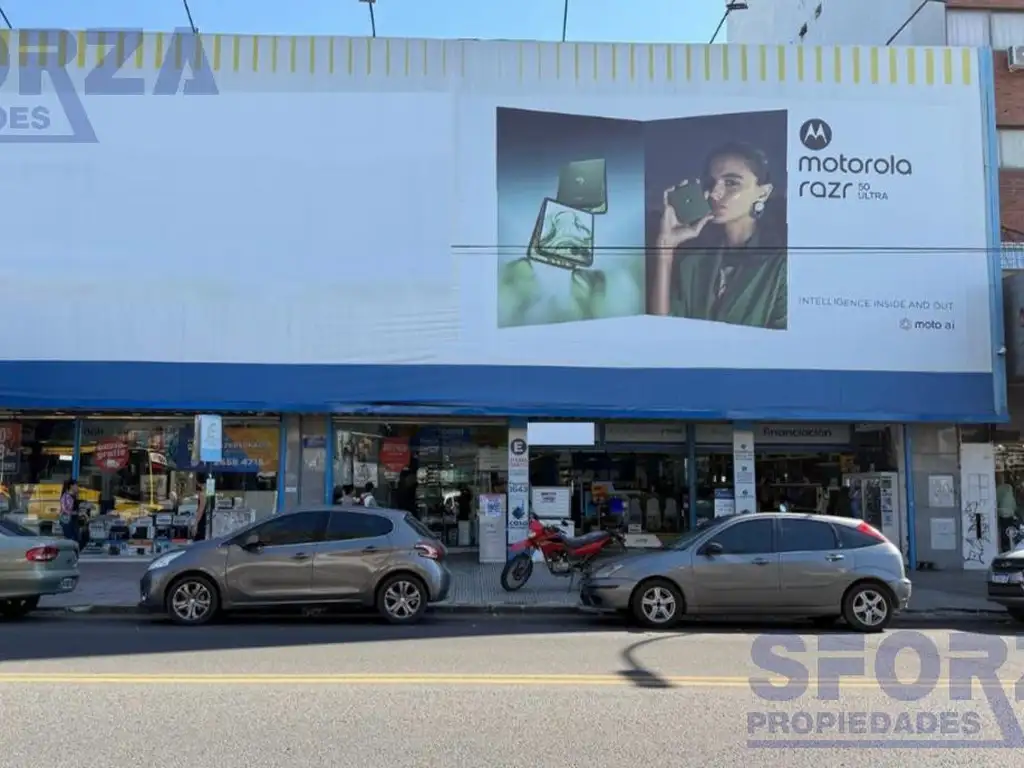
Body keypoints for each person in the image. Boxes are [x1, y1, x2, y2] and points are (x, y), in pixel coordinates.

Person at [649, 141, 787, 329]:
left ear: (763, 193)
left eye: (731, 183)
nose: (714, 193)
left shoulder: (780, 267)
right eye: (711, 183)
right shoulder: (694, 262)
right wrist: (665, 246)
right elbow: (662, 329)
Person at [58, 479, 79, 544]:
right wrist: (74, 513)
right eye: (76, 485)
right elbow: (64, 509)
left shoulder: (74, 496)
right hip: (66, 520)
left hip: (73, 520)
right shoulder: (66, 496)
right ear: (71, 486)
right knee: (70, 539)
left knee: (75, 538)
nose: (77, 487)